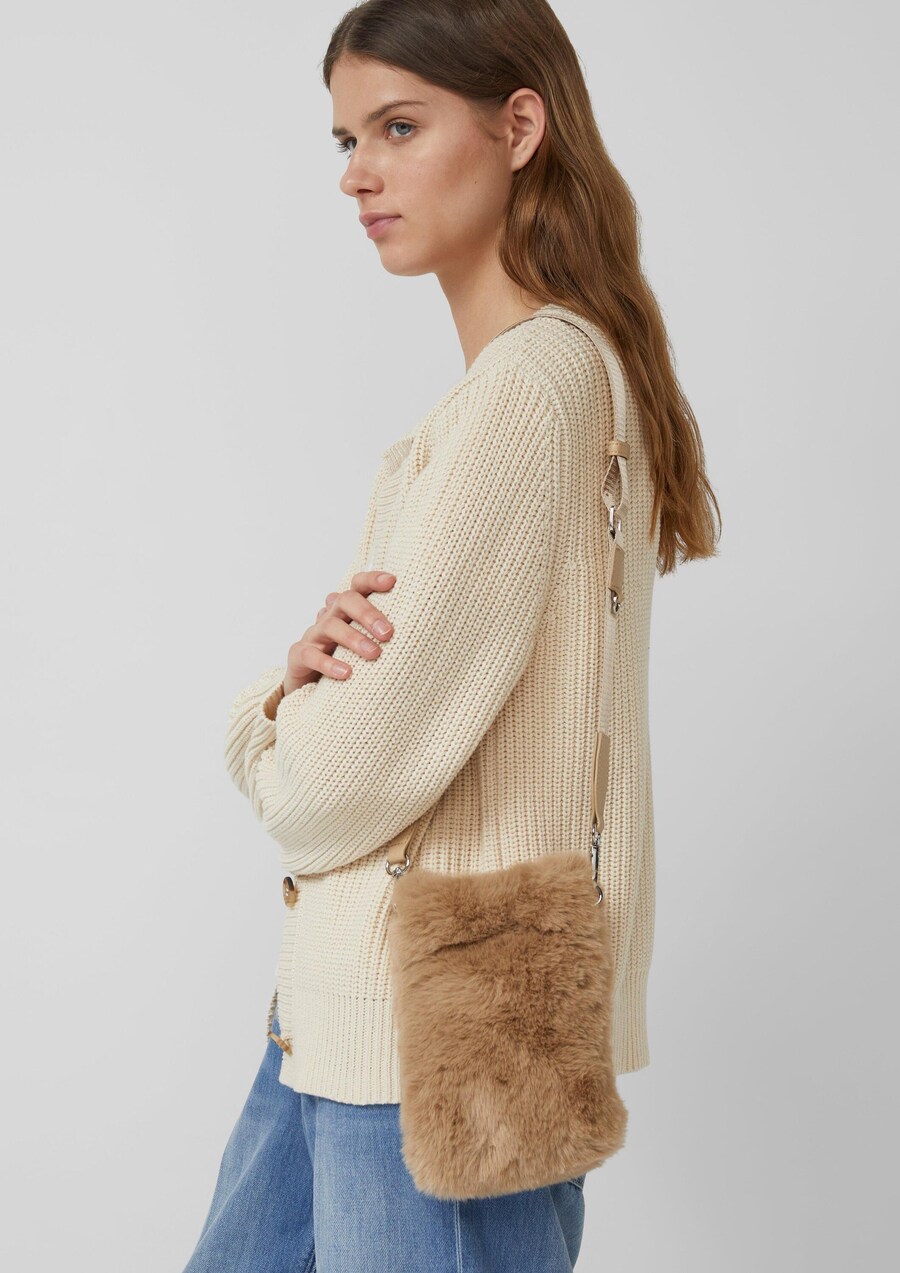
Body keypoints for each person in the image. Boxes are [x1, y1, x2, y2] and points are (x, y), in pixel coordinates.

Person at [184, 1, 720, 1269]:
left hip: (430, 1040)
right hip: (367, 1018)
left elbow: (330, 788)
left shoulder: (527, 393)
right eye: (346, 140)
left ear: (519, 126)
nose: (357, 174)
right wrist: (313, 684)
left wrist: (268, 718)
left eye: (399, 128)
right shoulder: (542, 385)